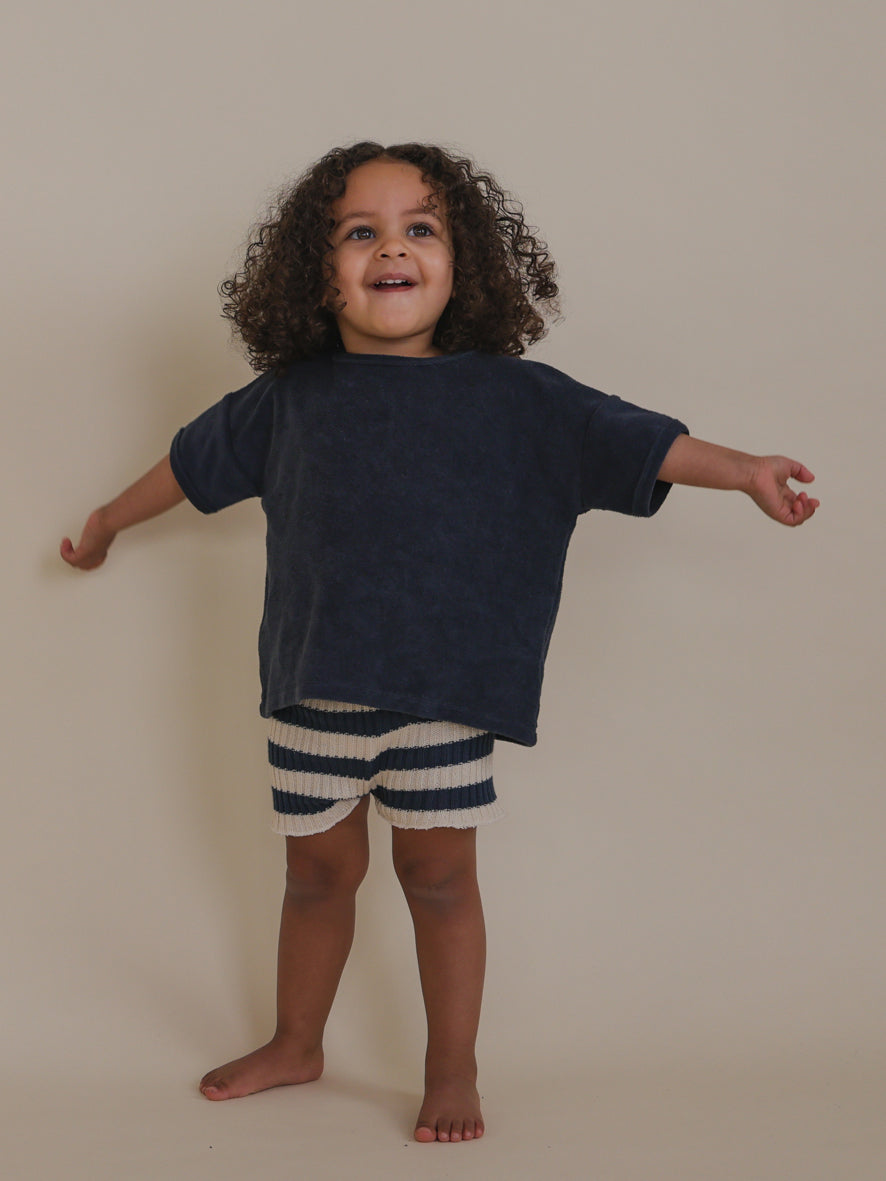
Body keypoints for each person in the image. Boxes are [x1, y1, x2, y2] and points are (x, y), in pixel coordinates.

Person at [60, 141, 819, 1144]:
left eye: (421, 228)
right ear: (314, 268)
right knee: (315, 877)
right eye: (359, 231)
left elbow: (639, 441)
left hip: (445, 695)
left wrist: (747, 466)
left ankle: (451, 1063)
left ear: (463, 265)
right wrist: (110, 521)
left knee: (440, 879)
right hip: (313, 692)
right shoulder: (290, 399)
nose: (392, 248)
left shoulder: (519, 398)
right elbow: (187, 465)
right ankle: (297, 1039)